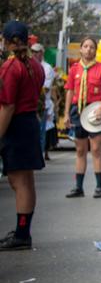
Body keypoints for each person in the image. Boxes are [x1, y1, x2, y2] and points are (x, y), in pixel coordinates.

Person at [0, 21, 45, 250]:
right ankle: (23, 230)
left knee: (18, 182)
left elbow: (7, 106)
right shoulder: (35, 66)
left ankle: (21, 235)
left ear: (6, 41)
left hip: (16, 124)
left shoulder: (11, 67)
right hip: (30, 123)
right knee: (27, 180)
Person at [61, 37, 101, 198]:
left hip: (95, 113)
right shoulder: (74, 69)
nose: (88, 49)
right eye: (85, 46)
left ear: (95, 50)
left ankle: (99, 187)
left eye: (92, 47)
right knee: (80, 150)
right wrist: (66, 113)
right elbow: (70, 90)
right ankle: (78, 187)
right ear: (81, 49)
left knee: (96, 150)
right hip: (78, 111)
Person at [31, 42, 56, 160]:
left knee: (41, 132)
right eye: (33, 52)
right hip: (29, 103)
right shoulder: (29, 65)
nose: (35, 54)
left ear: (42, 53)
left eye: (37, 52)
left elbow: (45, 88)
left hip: (42, 104)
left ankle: (39, 156)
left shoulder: (47, 68)